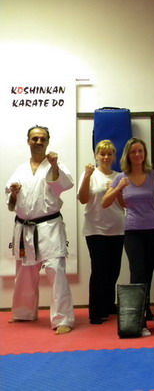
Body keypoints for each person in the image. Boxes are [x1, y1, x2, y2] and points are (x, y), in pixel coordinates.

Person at [102, 137, 154, 335]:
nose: (137, 154)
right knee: (137, 274)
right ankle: (139, 321)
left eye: (140, 151)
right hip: (133, 230)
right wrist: (118, 188)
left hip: (153, 229)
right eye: (133, 151)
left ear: (144, 154)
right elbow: (105, 202)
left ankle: (146, 310)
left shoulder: (152, 174)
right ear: (128, 155)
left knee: (148, 273)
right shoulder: (121, 177)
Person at [6, 125, 74, 334]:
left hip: (49, 227)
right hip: (24, 228)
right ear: (28, 141)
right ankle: (23, 312)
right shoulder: (20, 169)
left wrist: (54, 166)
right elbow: (11, 204)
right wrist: (14, 193)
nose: (38, 142)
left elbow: (64, 185)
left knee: (56, 271)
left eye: (42, 138)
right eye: (34, 138)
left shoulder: (55, 165)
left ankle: (63, 318)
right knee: (24, 272)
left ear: (47, 141)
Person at [78, 139, 125, 325]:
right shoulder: (90, 174)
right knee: (99, 271)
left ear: (114, 157)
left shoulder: (119, 176)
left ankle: (108, 304)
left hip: (117, 228)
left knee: (113, 270)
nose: (106, 157)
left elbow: (124, 204)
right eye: (102, 154)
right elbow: (83, 199)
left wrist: (117, 190)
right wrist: (87, 176)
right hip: (95, 228)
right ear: (96, 156)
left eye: (109, 154)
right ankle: (96, 311)